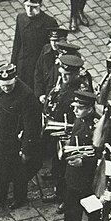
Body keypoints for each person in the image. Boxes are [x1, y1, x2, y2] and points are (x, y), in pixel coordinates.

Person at [0, 64, 41, 211]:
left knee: (19, 174)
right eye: (3, 85)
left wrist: (27, 150)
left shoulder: (26, 96)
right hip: (1, 136)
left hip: (17, 141)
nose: (6, 88)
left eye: (9, 85)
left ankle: (19, 198)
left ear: (15, 79)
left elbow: (31, 126)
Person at [43, 54, 91, 204]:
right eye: (62, 74)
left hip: (71, 135)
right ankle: (57, 183)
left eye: (68, 75)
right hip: (60, 129)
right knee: (58, 163)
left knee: (65, 167)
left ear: (76, 74)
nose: (63, 77)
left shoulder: (80, 92)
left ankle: (62, 197)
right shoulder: (65, 84)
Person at [52, 91, 99, 221]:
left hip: (88, 175)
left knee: (91, 207)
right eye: (75, 107)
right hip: (73, 171)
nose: (75, 111)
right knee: (71, 200)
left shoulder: (97, 126)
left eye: (79, 108)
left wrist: (84, 162)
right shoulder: (79, 119)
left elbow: (100, 153)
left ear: (90, 108)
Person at [11, 0, 59, 90]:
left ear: (40, 6)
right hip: (23, 62)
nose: (29, 10)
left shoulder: (49, 22)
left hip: (38, 63)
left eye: (33, 7)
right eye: (27, 6)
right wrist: (13, 63)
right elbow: (17, 42)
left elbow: (51, 47)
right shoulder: (21, 18)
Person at [32, 27, 68, 103]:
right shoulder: (46, 49)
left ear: (65, 40)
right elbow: (38, 72)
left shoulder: (71, 56)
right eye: (52, 41)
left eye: (57, 41)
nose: (54, 44)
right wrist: (40, 93)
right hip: (45, 93)